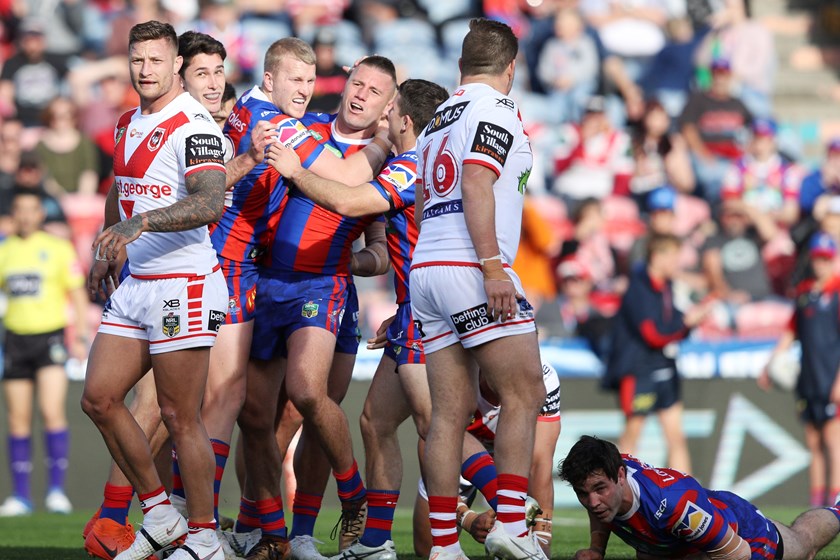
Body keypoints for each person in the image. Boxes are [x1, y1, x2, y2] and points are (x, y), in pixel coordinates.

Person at [268, 77, 452, 560]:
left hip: (422, 313)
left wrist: (295, 170)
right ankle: (371, 540)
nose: (369, 102)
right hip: (411, 309)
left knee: (436, 426)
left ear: (402, 117)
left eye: (383, 99)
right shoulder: (408, 160)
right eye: (358, 84)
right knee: (373, 421)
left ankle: (509, 516)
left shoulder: (408, 165)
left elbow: (354, 208)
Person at [223, 38, 390, 560]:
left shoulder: (383, 161)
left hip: (327, 288)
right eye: (357, 83)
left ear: (389, 106)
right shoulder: (303, 127)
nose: (360, 96)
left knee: (311, 404)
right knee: (259, 417)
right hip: (270, 280)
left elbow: (380, 250)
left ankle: (304, 528)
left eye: (375, 92)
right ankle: (258, 526)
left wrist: (353, 263)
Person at [80, 21, 229, 560]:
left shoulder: (193, 124)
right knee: (98, 398)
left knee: (178, 415)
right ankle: (162, 513)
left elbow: (209, 201)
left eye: (156, 61)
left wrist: (140, 223)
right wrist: (107, 246)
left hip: (184, 283)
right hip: (136, 281)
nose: (145, 71)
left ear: (176, 65)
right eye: (137, 60)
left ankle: (205, 537)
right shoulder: (127, 122)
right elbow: (121, 189)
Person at [409, 18, 547, 560]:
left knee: (448, 414)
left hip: (428, 267)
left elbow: (422, 202)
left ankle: (444, 545)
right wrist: (492, 267)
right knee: (525, 391)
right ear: (511, 67)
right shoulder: (497, 110)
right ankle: (511, 524)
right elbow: (475, 180)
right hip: (471, 265)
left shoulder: (437, 119)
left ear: (461, 65)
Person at [559, 435, 840, 560]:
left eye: (599, 489)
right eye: (583, 493)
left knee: (804, 544)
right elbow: (597, 501)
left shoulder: (674, 506)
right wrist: (597, 549)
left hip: (744, 536)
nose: (592, 502)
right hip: (697, 520)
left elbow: (738, 554)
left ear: (620, 475)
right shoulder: (605, 478)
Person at [412, 362, 562, 557]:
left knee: (533, 545)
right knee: (425, 548)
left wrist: (541, 540)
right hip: (455, 453)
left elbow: (540, 463)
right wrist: (467, 518)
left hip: (511, 458)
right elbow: (431, 438)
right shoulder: (458, 372)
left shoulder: (543, 377)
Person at [0, 189, 88, 517]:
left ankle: (56, 491)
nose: (25, 215)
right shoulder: (4, 250)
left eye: (31, 209)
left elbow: (77, 293)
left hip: (50, 338)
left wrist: (80, 336)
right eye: (19, 209)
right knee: (18, 418)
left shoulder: (57, 248)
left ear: (40, 214)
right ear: (13, 214)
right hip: (15, 339)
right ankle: (21, 495)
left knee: (51, 411)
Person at [603, 233, 710, 474]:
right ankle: (620, 489)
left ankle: (686, 491)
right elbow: (652, 334)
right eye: (673, 257)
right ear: (657, 257)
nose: (677, 263)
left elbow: (670, 326)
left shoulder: (666, 286)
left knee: (676, 437)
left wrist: (689, 321)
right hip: (639, 369)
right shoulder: (638, 289)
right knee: (632, 436)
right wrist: (686, 323)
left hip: (664, 365)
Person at [759, 232, 840, 507]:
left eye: (826, 259)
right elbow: (791, 331)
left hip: (830, 378)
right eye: (818, 259)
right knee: (814, 443)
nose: (821, 264)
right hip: (808, 378)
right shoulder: (805, 293)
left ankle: (835, 504)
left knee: (833, 441)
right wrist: (770, 364)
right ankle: (816, 503)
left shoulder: (837, 293)